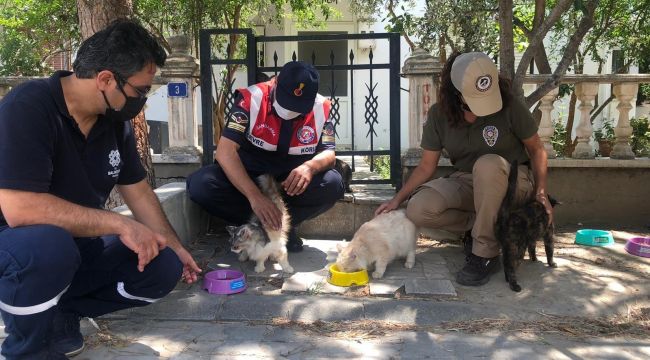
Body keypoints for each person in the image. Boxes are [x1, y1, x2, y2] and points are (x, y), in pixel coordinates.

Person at [0, 20, 201, 359]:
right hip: (16, 244)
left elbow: (138, 192)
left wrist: (177, 248)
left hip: (75, 245)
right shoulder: (28, 107)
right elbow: (23, 212)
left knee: (161, 265)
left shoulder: (113, 122)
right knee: (48, 246)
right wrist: (121, 225)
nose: (142, 101)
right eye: (139, 91)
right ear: (106, 79)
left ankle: (62, 313)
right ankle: (24, 348)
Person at [375, 51, 552, 287]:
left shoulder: (510, 107)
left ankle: (485, 254)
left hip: (512, 182)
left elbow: (537, 150)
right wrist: (397, 199)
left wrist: (540, 192)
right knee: (418, 209)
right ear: (455, 92)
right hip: (467, 181)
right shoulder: (440, 114)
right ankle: (480, 229)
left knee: (488, 164)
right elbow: (427, 165)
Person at [187, 61, 345, 252]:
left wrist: (310, 167)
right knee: (201, 185)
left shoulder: (321, 106)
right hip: (250, 176)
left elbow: (329, 153)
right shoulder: (250, 99)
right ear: (275, 83)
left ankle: (282, 230)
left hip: (290, 181)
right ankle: (256, 228)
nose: (292, 110)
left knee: (333, 184)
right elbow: (225, 152)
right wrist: (255, 197)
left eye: (299, 106)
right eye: (287, 101)